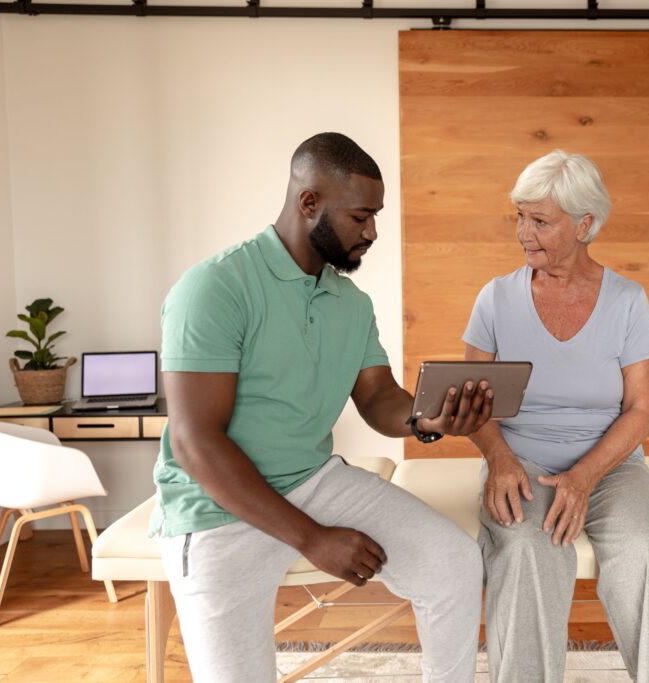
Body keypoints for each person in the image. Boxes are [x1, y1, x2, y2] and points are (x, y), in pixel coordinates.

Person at [150, 132, 492, 683]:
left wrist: (428, 420)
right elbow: (196, 444)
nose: (372, 232)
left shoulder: (351, 303)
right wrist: (311, 538)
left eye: (375, 216)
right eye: (361, 216)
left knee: (453, 563)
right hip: (216, 506)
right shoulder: (215, 287)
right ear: (309, 203)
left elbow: (379, 397)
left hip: (314, 479)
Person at [463, 150, 649, 682]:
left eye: (540, 220)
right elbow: (472, 405)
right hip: (520, 459)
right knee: (524, 551)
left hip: (611, 466)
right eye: (519, 216)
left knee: (646, 553)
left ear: (586, 224)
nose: (523, 232)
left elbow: (640, 411)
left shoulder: (628, 301)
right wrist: (498, 460)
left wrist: (583, 478)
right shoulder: (495, 299)